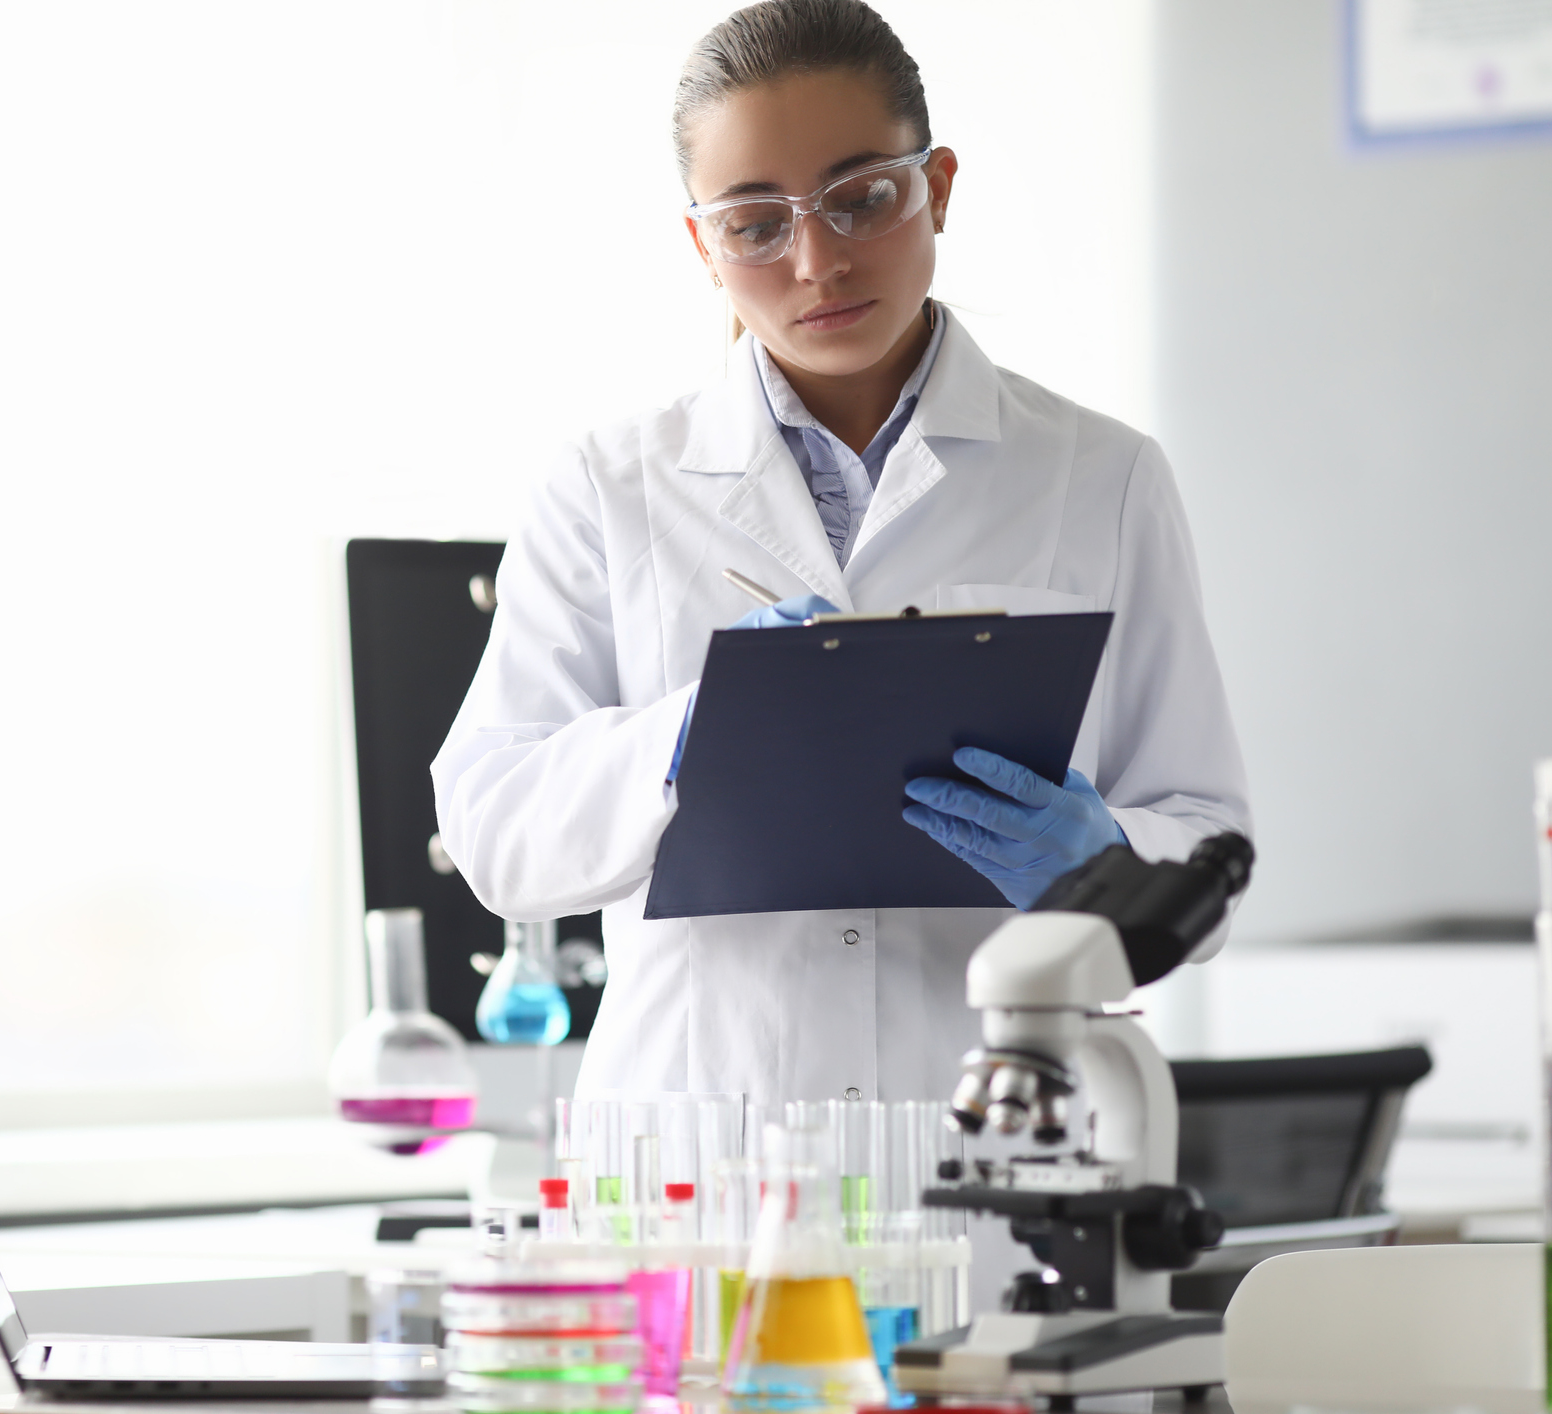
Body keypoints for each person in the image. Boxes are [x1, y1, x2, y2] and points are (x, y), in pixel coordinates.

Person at [431, 0, 1249, 1109]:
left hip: (997, 1138)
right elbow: (496, 830)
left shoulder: (1100, 478)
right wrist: (694, 727)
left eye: (863, 197)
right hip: (706, 1155)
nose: (818, 260)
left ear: (939, 187)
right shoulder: (608, 487)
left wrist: (1098, 858)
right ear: (703, 246)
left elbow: (1208, 840)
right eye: (756, 223)